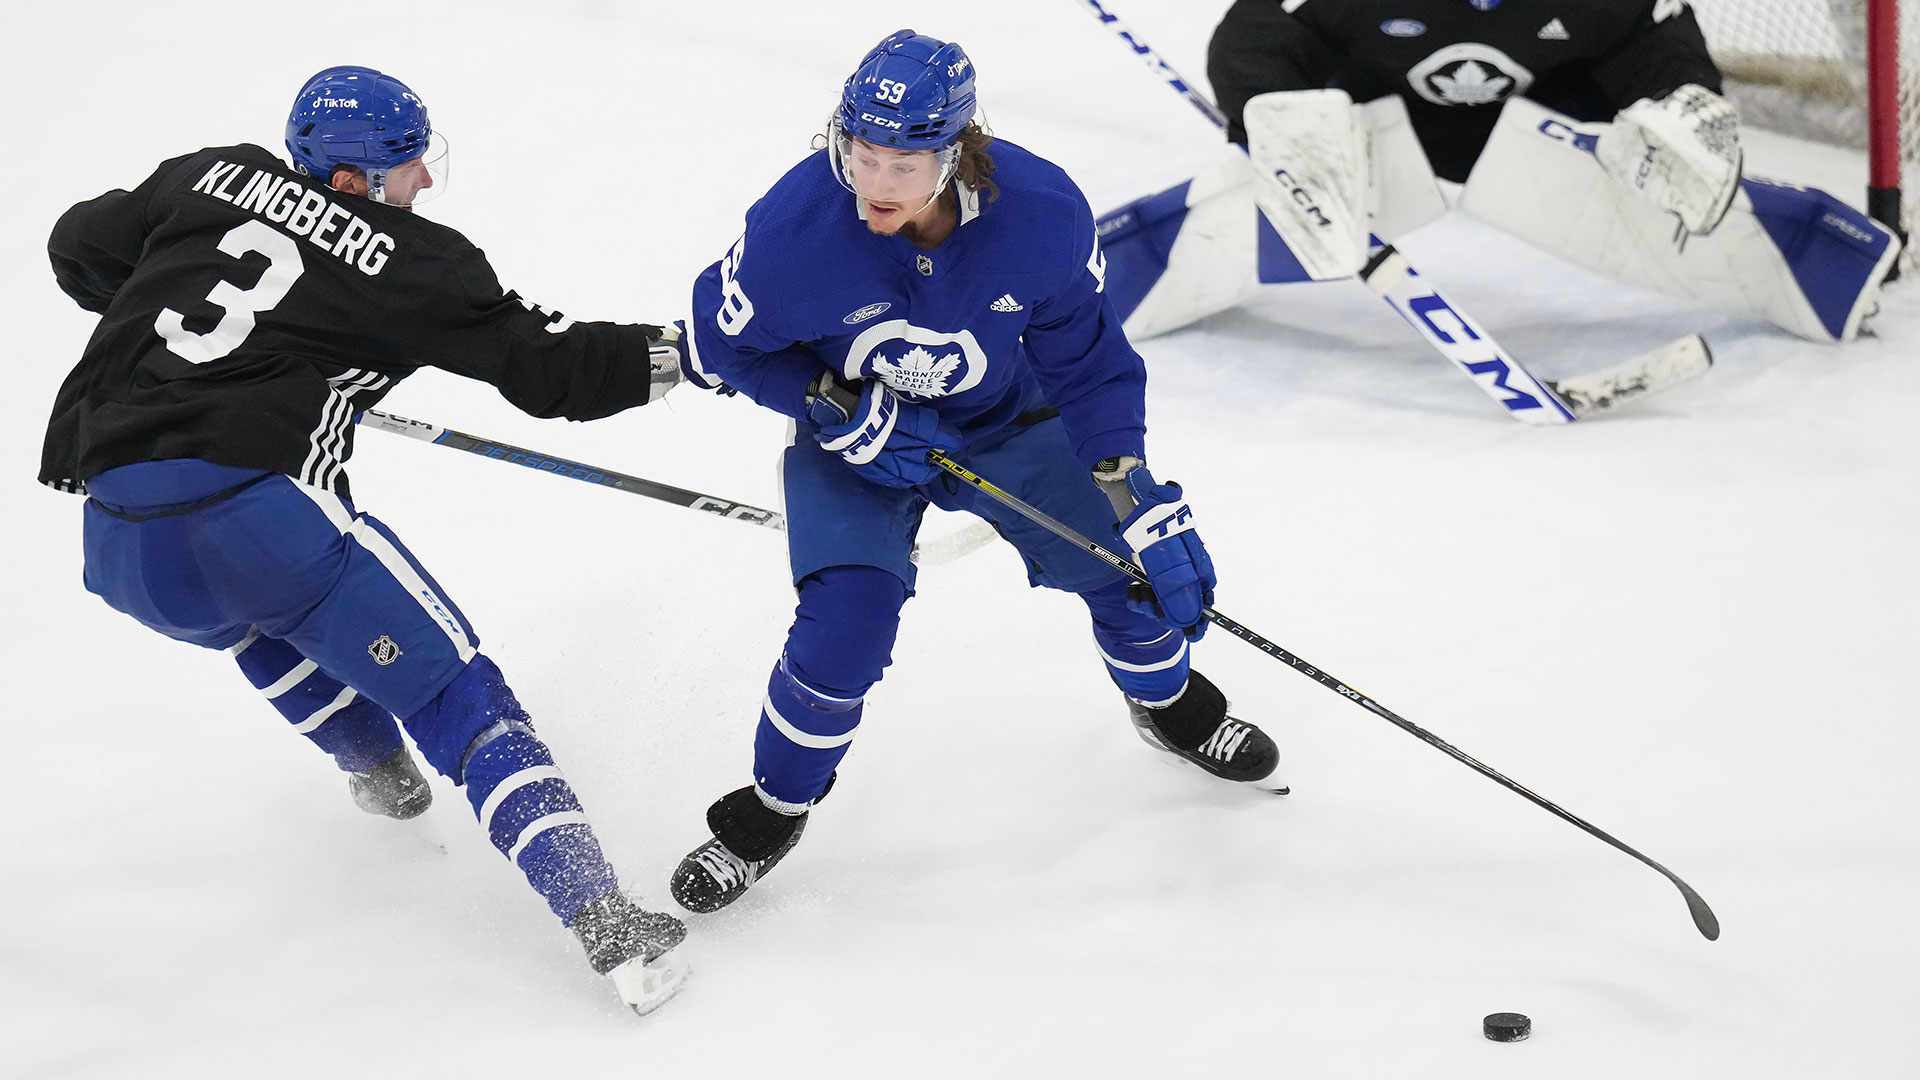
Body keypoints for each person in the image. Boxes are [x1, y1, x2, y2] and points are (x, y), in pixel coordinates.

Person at [41, 65, 689, 1016]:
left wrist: (180, 322)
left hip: (117, 536)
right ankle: (607, 923)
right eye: (406, 165)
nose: (423, 182)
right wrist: (688, 355)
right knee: (454, 692)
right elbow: (554, 372)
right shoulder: (415, 262)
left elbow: (75, 244)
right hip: (254, 509)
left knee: (252, 619)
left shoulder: (202, 176)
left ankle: (377, 773)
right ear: (351, 182)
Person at [669, 29, 1287, 915]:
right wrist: (825, 400)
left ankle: (1172, 707)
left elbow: (1088, 360)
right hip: (860, 440)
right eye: (861, 155)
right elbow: (722, 345)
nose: (875, 186)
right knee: (846, 626)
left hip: (1006, 419)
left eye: (903, 164)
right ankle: (774, 808)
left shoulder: (1041, 214)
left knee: (1134, 576)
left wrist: (1128, 483)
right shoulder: (793, 232)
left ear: (957, 150)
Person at [1100, 0, 1900, 346]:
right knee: (1306, 149)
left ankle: (1822, 275)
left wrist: (1683, 111)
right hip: (1382, 135)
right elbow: (1251, 38)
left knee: (1669, 173)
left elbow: (1664, 45)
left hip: (1554, 135)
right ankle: (1094, 286)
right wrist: (1274, 114)